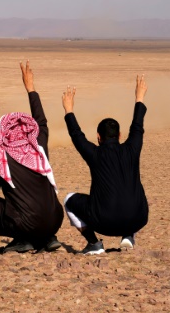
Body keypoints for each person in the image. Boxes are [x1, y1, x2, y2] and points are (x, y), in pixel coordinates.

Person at [0, 62, 65, 253]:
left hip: (26, 223)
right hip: (55, 220)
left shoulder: (1, 157)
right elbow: (41, 121)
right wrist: (30, 88)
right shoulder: (38, 146)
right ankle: (47, 238)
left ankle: (21, 239)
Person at [62, 75, 149, 255]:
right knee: (132, 192)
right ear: (119, 135)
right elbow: (137, 126)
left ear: (98, 138)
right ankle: (128, 235)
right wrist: (139, 97)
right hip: (138, 217)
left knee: (68, 200)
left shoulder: (94, 153)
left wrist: (68, 110)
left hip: (104, 222)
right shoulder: (132, 148)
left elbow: (76, 136)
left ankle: (94, 243)